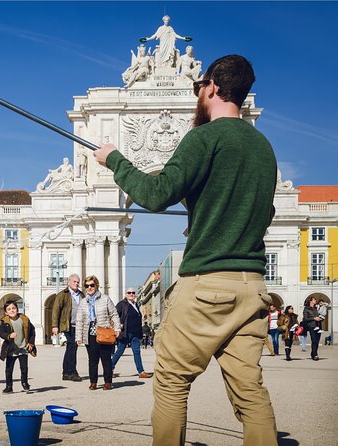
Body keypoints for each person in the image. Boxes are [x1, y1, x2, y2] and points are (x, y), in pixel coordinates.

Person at [94, 55, 278, 444]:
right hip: (252, 289)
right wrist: (212, 220)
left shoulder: (204, 137)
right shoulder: (263, 147)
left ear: (210, 86)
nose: (198, 93)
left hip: (208, 286)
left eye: (200, 87)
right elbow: (265, 211)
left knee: (172, 381)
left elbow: (157, 194)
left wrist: (115, 160)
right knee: (250, 393)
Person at [75, 276, 120, 391]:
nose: (89, 288)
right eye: (87, 286)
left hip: (104, 332)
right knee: (92, 360)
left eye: (92, 285)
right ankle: (93, 382)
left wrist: (117, 329)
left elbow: (114, 314)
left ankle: (108, 382)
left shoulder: (105, 299)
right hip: (89, 334)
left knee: (106, 359)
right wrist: (78, 337)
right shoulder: (83, 302)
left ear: (96, 285)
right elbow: (79, 320)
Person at [110, 288, 153, 379]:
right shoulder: (122, 304)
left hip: (135, 333)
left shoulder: (135, 304)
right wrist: (118, 325)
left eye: (133, 293)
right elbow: (114, 315)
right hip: (125, 332)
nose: (131, 294)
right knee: (119, 351)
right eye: (129, 293)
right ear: (125, 294)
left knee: (137, 352)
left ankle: (141, 372)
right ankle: (109, 369)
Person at [51, 273, 83, 382]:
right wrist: (55, 325)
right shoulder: (62, 294)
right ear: (69, 282)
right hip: (68, 325)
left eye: (78, 282)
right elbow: (56, 310)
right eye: (74, 281)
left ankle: (66, 372)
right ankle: (72, 372)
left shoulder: (81, 295)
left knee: (71, 348)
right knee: (72, 346)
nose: (76, 283)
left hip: (78, 326)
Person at [0, 300, 36, 394]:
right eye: (9, 309)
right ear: (6, 312)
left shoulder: (24, 319)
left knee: (24, 368)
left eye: (13, 308)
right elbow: (1, 333)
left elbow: (32, 331)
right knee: (8, 369)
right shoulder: (5, 321)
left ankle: (25, 383)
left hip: (23, 349)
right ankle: (9, 386)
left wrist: (31, 343)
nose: (12, 310)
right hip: (11, 350)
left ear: (17, 309)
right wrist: (8, 336)